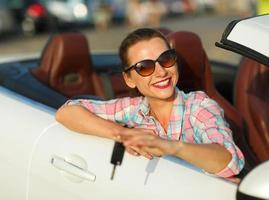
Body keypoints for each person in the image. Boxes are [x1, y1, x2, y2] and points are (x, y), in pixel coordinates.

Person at [55, 28, 244, 178]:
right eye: (144, 67)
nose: (161, 72)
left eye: (166, 59)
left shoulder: (199, 105)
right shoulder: (133, 108)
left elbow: (228, 161)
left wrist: (170, 146)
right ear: (129, 79)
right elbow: (66, 112)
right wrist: (123, 134)